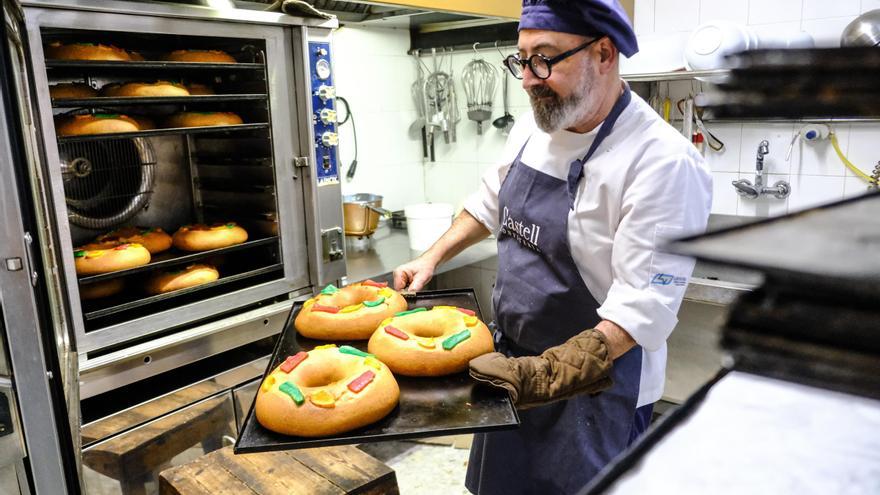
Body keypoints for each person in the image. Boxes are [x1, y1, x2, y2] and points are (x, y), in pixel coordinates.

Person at [393, 0, 713, 493]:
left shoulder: (661, 162)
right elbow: (489, 204)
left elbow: (640, 311)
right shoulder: (535, 126)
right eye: (522, 59)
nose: (527, 79)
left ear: (603, 54)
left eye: (544, 59)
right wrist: (430, 257)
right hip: (511, 370)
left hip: (597, 391)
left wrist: (540, 377)